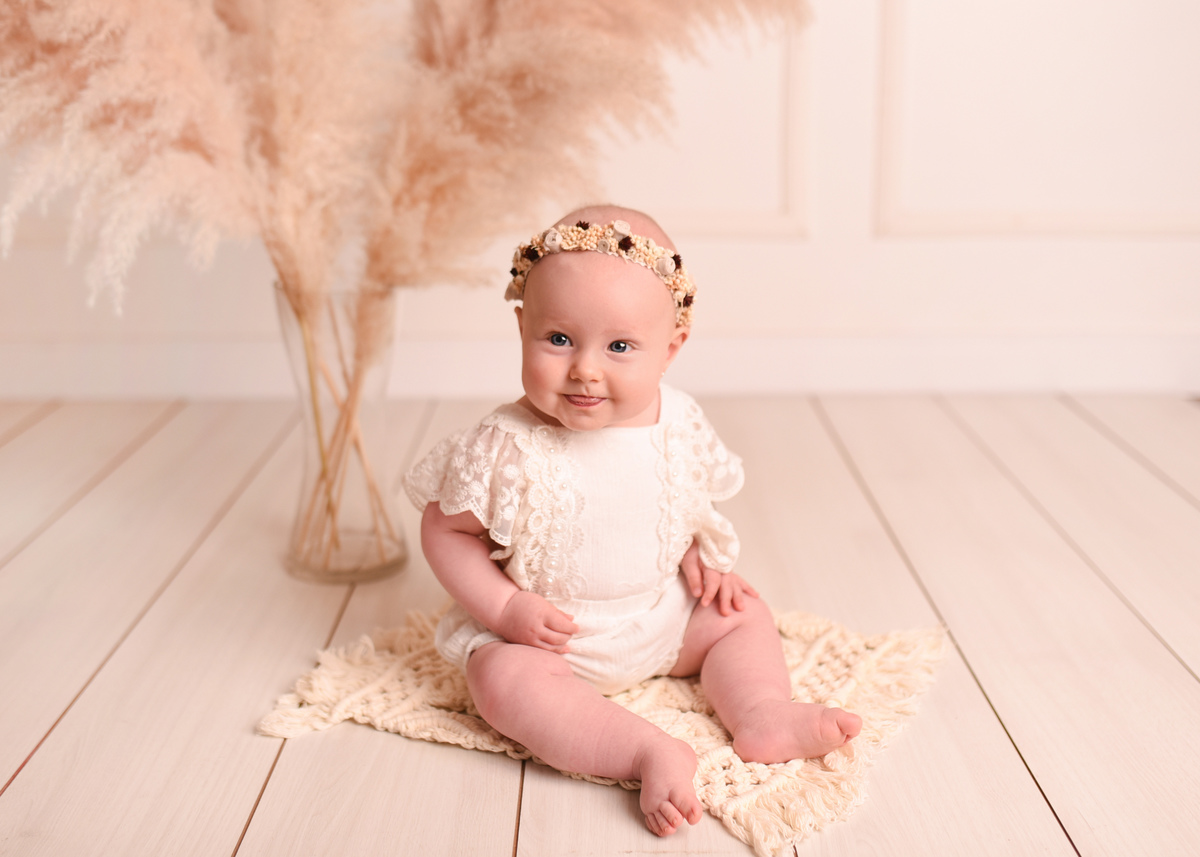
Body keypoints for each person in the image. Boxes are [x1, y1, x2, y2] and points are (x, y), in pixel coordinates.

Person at [404, 204, 861, 837]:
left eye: (619, 347)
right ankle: (644, 749)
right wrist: (505, 609)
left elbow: (681, 502)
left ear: (670, 349)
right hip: (548, 641)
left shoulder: (678, 423)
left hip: (660, 616)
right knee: (500, 681)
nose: (585, 368)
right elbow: (445, 531)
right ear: (522, 326)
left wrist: (702, 561)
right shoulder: (505, 442)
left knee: (741, 613)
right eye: (558, 339)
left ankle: (762, 713)